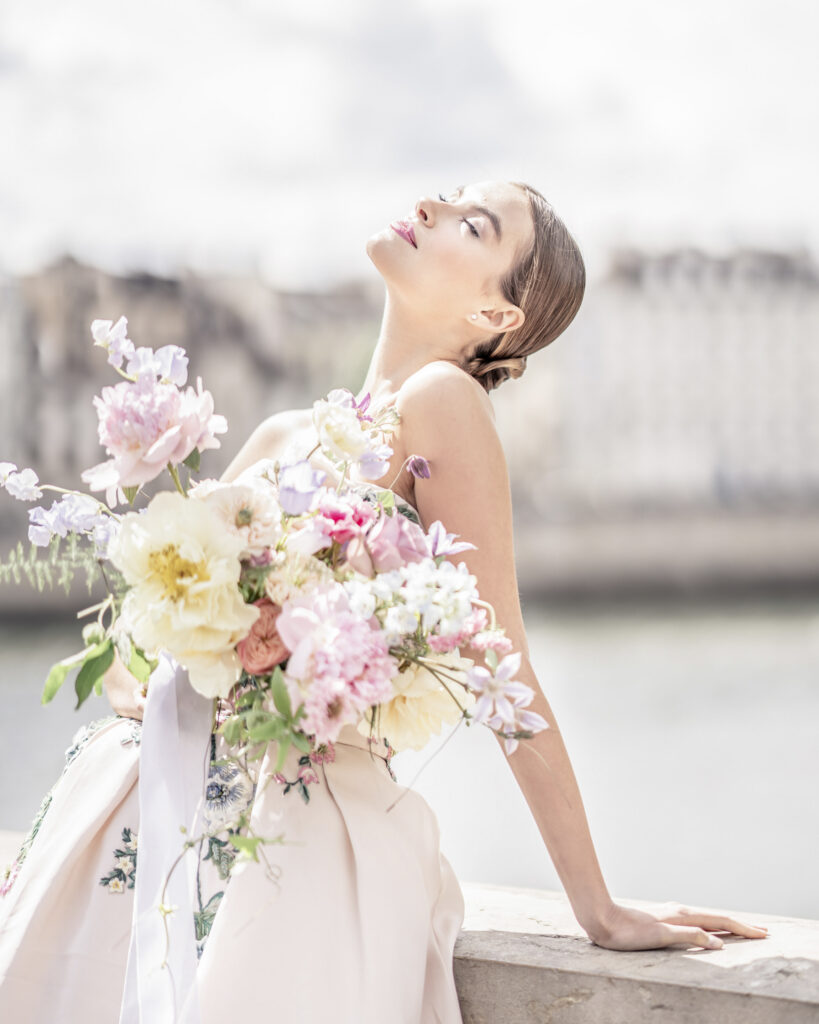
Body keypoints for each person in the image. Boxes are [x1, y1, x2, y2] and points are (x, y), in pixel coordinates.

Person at [0, 180, 768, 1023]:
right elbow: (152, 641)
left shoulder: (440, 402)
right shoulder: (280, 433)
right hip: (138, 787)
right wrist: (151, 666)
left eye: (474, 225)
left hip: (282, 810)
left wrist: (596, 906)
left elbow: (498, 663)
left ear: (495, 317)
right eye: (449, 198)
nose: (434, 204)